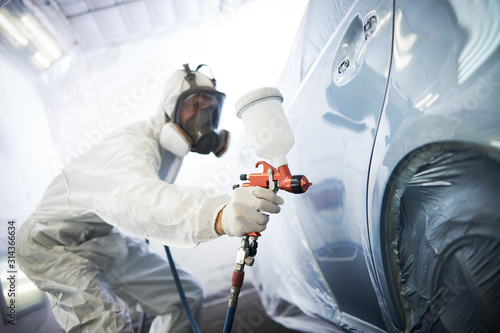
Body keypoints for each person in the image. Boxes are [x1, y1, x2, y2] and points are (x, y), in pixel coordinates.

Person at [17, 64, 284, 333]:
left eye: (210, 107)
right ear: (171, 110)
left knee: (185, 298)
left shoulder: (169, 150)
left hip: (100, 240)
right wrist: (218, 213)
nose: (204, 115)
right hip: (51, 246)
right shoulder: (134, 144)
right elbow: (137, 198)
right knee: (109, 326)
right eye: (194, 105)